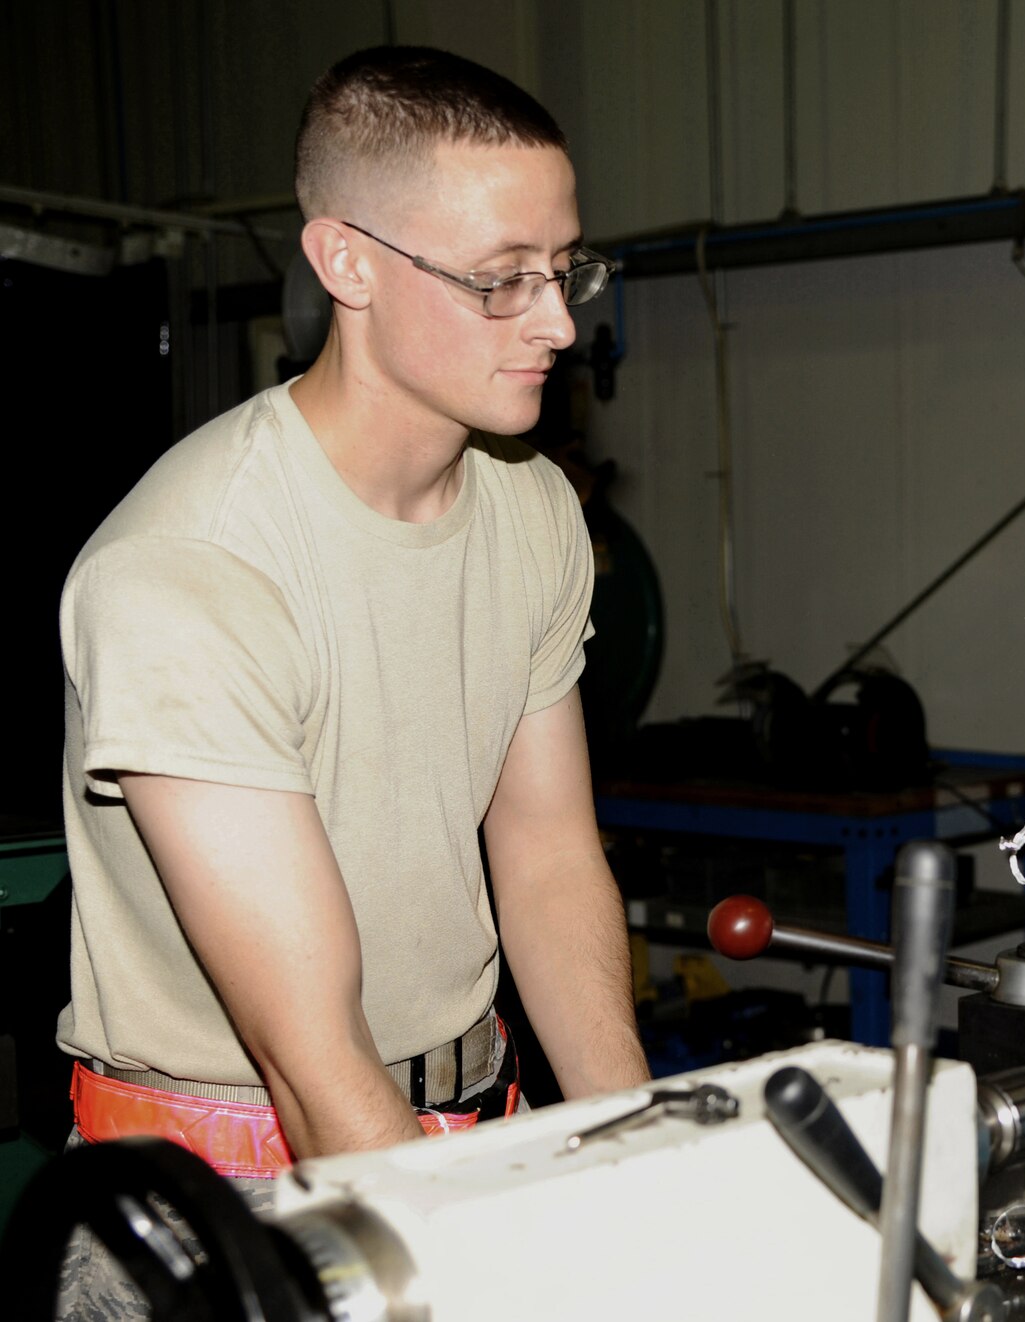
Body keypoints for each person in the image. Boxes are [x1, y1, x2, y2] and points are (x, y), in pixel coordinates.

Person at [54, 45, 651, 1312]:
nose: (557, 322)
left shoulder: (530, 509)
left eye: (566, 270)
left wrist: (638, 1161)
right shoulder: (191, 567)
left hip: (466, 1122)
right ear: (347, 262)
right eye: (501, 280)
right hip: (223, 1193)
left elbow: (545, 860)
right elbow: (311, 1050)